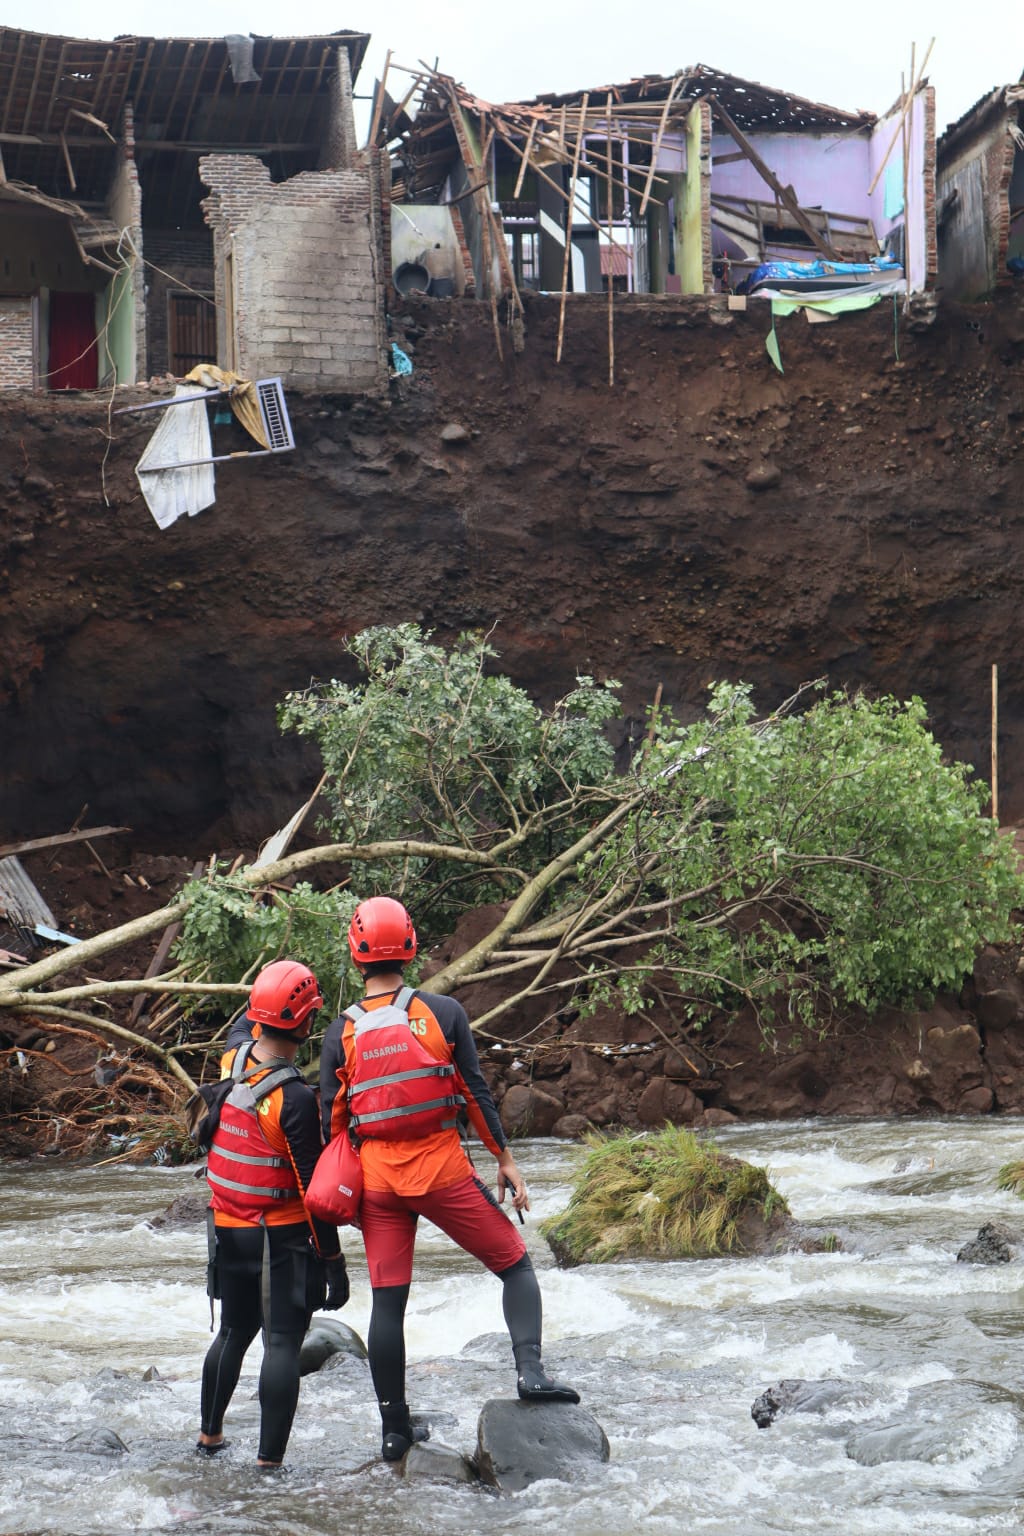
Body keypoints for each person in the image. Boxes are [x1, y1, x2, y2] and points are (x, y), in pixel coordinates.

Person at [320, 896, 578, 1463]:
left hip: (379, 1185)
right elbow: (474, 1093)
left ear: (356, 954)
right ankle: (530, 1374)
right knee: (515, 1262)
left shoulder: (340, 1033)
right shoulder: (444, 1012)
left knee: (388, 1304)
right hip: (442, 1172)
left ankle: (394, 1430)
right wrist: (504, 1160)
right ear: (410, 948)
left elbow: (331, 1125)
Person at [197, 959, 349, 1468]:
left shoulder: (230, 1059)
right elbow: (316, 1193)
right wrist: (333, 1261)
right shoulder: (296, 1100)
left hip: (226, 1231)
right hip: (278, 1241)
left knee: (233, 1333)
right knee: (282, 1343)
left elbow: (247, 1021)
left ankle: (210, 1438)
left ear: (258, 1016)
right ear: (306, 1027)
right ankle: (268, 1463)